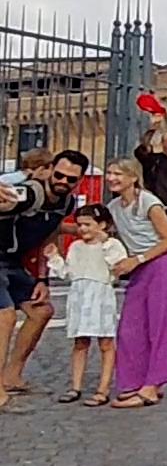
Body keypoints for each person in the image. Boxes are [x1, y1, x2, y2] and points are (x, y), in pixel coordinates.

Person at [0, 149, 86, 409]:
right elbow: (10, 202)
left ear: (78, 180)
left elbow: (50, 234)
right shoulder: (30, 192)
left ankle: (12, 376)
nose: (63, 182)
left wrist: (42, 279)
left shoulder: (67, 203)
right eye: (59, 175)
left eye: (71, 179)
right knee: (5, 316)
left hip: (12, 262)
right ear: (50, 169)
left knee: (42, 311)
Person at [106, 158, 167, 409]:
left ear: (133, 177)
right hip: (140, 270)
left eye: (118, 173)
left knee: (160, 326)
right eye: (109, 173)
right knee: (131, 326)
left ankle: (152, 387)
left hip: (162, 266)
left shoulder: (149, 203)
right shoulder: (114, 207)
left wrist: (136, 259)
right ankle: (135, 380)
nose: (111, 178)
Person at [50, 204, 126, 407]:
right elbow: (67, 273)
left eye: (87, 225)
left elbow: (117, 267)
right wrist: (54, 258)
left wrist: (105, 244)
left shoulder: (113, 246)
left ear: (101, 225)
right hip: (79, 296)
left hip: (100, 296)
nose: (82, 229)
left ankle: (103, 388)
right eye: (80, 225)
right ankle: (75, 386)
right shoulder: (76, 247)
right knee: (80, 342)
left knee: (106, 343)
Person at [134, 114, 167, 234]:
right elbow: (143, 148)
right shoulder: (153, 160)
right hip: (153, 210)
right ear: (163, 144)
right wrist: (152, 130)